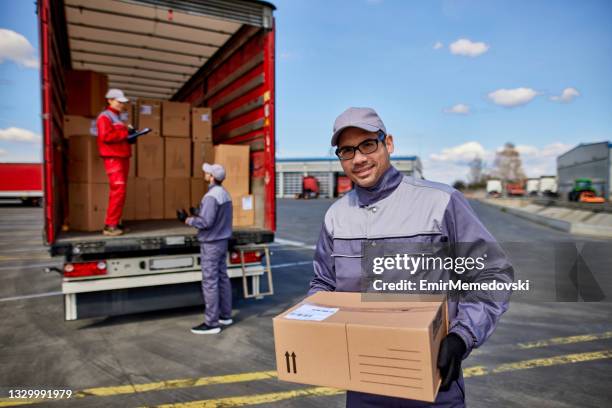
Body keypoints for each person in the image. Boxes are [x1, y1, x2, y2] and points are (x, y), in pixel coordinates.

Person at [309, 107, 514, 407]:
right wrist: (311, 323)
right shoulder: (336, 217)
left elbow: (493, 274)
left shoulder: (440, 202)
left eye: (368, 144)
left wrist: (462, 336)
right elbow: (323, 283)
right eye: (347, 151)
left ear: (388, 144)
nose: (359, 158)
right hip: (362, 385)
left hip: (432, 385)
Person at [184, 163, 234, 334]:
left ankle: (212, 323)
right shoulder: (224, 194)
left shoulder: (211, 196)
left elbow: (206, 222)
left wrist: (188, 220)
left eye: (207, 172)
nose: (205, 174)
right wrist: (200, 211)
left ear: (212, 177)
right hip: (222, 242)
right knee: (222, 279)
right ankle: (225, 316)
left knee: (210, 283)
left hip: (211, 244)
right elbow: (217, 216)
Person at [96, 88, 131, 236]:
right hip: (113, 157)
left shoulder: (117, 118)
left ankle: (115, 223)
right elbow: (106, 136)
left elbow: (118, 136)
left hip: (121, 156)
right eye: (119, 102)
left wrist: (131, 134)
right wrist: (125, 132)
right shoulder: (105, 117)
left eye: (123, 103)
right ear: (109, 100)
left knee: (120, 192)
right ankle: (110, 226)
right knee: (118, 191)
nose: (121, 105)